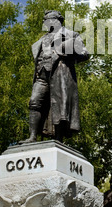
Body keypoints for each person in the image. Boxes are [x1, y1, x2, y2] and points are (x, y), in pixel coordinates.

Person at [20, 10, 89, 144]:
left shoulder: (70, 35)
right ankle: (32, 136)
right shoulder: (42, 40)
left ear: (56, 21)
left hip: (59, 74)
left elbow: (85, 53)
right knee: (34, 102)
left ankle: (58, 138)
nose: (44, 23)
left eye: (46, 20)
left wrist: (66, 48)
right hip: (42, 75)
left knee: (59, 105)